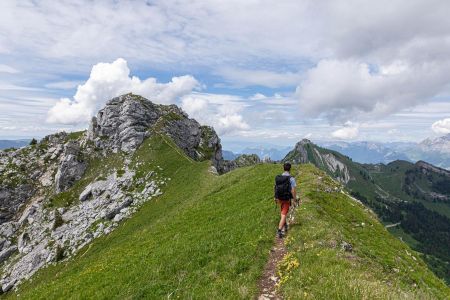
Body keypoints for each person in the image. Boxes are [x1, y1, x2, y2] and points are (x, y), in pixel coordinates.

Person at [274, 162, 297, 238]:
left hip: (279, 198)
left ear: (283, 168)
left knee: (283, 211)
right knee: (284, 213)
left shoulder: (279, 178)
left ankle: (285, 225)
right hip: (286, 199)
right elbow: (293, 190)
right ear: (290, 169)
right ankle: (279, 230)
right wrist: (294, 199)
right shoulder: (291, 178)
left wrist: (275, 197)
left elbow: (275, 187)